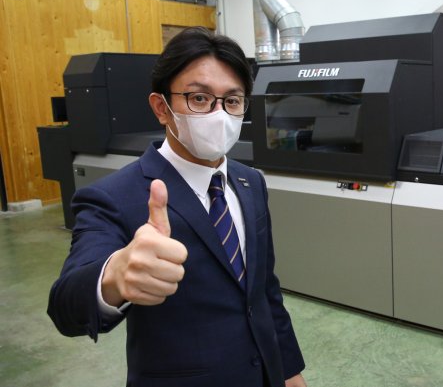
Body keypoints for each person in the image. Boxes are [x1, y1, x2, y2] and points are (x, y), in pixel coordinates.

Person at [48, 27, 307, 387]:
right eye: (199, 98)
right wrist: (113, 277)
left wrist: (289, 370)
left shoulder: (250, 182)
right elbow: (65, 307)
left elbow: (264, 290)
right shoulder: (115, 196)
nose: (219, 114)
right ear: (161, 108)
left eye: (232, 101)